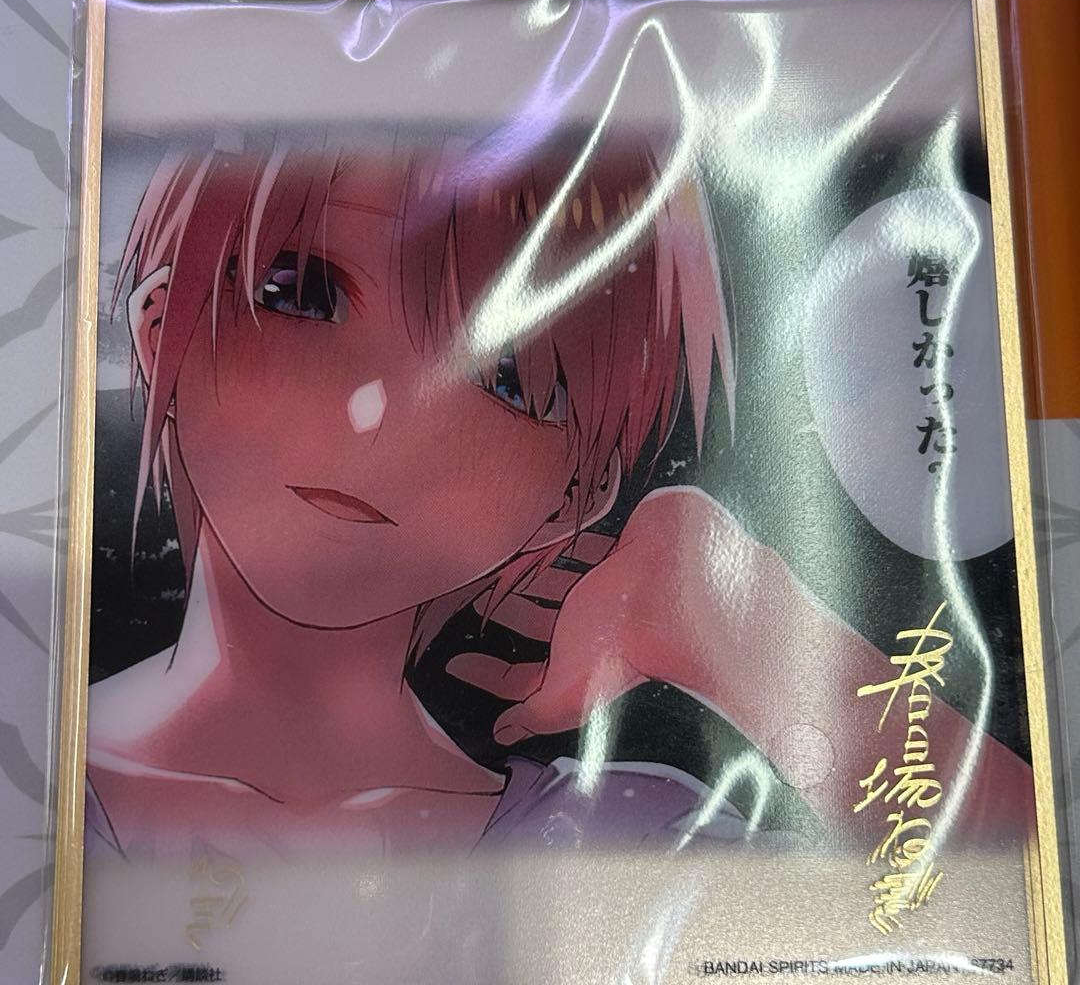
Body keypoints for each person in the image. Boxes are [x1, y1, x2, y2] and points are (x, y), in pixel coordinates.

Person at [85, 126, 1033, 862]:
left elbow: (1020, 901)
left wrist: (740, 629)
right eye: (301, 292)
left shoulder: (626, 840)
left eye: (506, 379)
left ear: (576, 492)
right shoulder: (37, 767)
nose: (373, 415)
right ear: (162, 327)